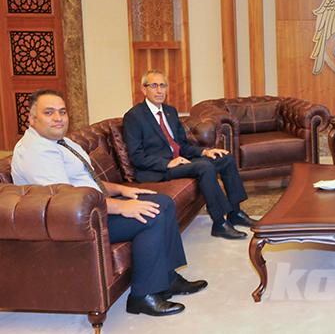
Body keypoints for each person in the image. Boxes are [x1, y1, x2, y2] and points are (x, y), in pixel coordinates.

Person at [11, 89, 207, 317]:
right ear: (32, 118)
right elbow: (66, 200)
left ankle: (167, 278)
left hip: (92, 208)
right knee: (151, 216)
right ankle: (143, 296)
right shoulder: (35, 152)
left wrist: (122, 190)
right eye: (49, 112)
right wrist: (120, 206)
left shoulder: (61, 142)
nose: (58, 118)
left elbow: (87, 179)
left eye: (62, 112)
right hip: (75, 225)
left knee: (163, 202)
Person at [123, 70, 256, 240]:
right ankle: (219, 223)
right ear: (144, 89)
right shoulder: (134, 117)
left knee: (225, 158)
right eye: (154, 86)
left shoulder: (170, 112)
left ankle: (235, 212)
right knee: (204, 167)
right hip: (159, 169)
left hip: (180, 161)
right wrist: (167, 163)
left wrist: (205, 151)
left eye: (163, 85)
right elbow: (136, 156)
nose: (159, 90)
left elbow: (182, 145)